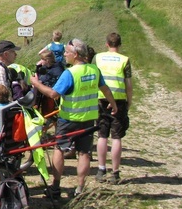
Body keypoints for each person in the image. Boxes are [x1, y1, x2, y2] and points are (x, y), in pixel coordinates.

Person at [31, 38, 118, 198]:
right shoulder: (94, 70)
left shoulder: (69, 73)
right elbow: (105, 89)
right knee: (84, 153)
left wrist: (35, 83)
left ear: (75, 54)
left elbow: (53, 94)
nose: (64, 55)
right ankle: (80, 187)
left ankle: (56, 186)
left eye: (67, 52)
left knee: (59, 149)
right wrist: (112, 103)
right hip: (88, 119)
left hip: (68, 118)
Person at [94, 33, 133, 184]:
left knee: (102, 135)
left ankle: (101, 168)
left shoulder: (98, 58)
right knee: (116, 136)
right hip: (119, 98)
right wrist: (129, 102)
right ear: (120, 45)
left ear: (106, 44)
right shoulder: (125, 60)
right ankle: (115, 172)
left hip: (101, 98)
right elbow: (128, 85)